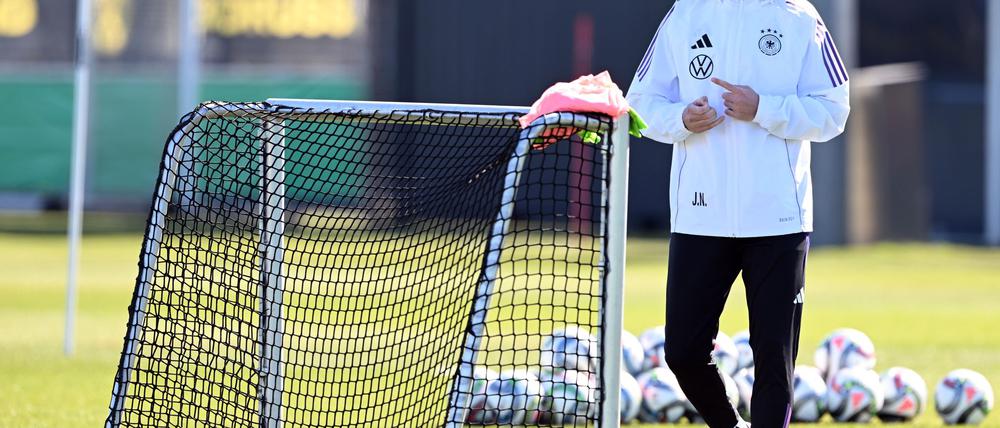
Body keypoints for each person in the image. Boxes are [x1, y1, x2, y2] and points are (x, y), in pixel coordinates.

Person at [626, 0, 850, 427]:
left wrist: (763, 108)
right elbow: (639, 103)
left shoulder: (798, 17)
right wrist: (680, 118)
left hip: (778, 219)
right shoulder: (686, 13)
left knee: (773, 362)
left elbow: (834, 109)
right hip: (700, 217)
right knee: (683, 353)